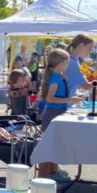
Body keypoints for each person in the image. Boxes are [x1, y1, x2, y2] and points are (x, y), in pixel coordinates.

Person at [35, 48, 82, 181]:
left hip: (55, 113)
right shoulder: (55, 78)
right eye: (67, 62)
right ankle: (42, 178)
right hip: (52, 114)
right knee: (48, 148)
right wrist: (71, 100)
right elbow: (50, 99)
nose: (67, 65)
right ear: (60, 63)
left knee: (53, 147)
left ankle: (53, 172)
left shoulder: (57, 76)